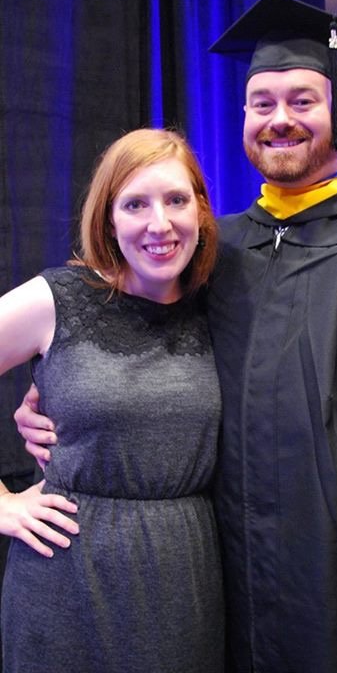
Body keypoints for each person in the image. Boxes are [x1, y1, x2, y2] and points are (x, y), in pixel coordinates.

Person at [15, 0, 337, 673]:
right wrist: (50, 396)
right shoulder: (219, 253)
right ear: (243, 118)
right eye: (261, 103)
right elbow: (145, 363)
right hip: (241, 587)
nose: (280, 120)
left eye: (302, 100)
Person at [0, 128, 224, 673]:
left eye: (175, 199)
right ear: (108, 219)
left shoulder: (222, 303)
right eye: (135, 204)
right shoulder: (58, 299)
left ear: (200, 210)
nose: (159, 224)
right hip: (66, 579)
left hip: (186, 580)